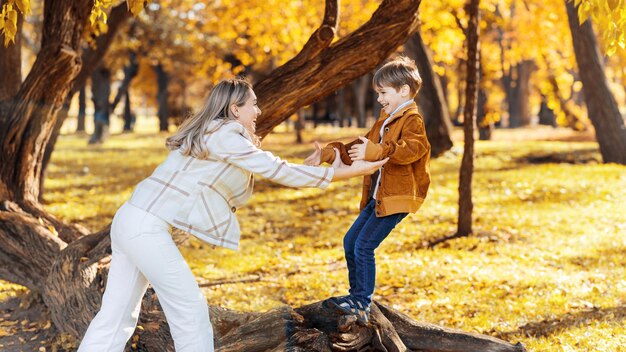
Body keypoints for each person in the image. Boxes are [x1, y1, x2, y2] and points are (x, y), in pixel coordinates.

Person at [78, 78, 387, 352]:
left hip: (130, 219)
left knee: (116, 315)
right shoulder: (225, 134)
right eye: (253, 104)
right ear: (235, 109)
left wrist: (329, 167)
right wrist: (341, 173)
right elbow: (277, 169)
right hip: (144, 228)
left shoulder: (211, 132)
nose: (259, 111)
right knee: (190, 310)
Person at [304, 56, 431, 325]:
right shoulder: (385, 120)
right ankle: (355, 296)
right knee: (350, 242)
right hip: (378, 198)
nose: (379, 99)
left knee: (364, 245)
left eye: (383, 93)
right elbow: (360, 146)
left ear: (404, 90)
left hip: (396, 198)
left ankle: (362, 302)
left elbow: (413, 149)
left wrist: (378, 151)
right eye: (378, 93)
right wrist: (329, 152)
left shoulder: (412, 120)